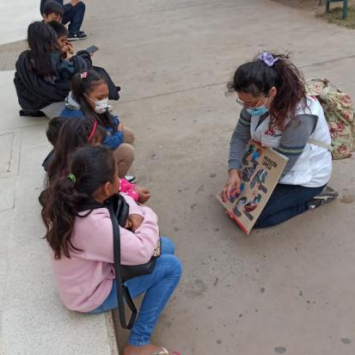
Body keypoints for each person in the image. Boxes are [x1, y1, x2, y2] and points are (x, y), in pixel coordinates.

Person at [40, 145, 181, 355]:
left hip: (91, 276)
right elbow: (142, 251)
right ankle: (138, 344)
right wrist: (145, 214)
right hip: (89, 297)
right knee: (171, 267)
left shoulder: (76, 197)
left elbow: (121, 198)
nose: (120, 179)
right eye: (117, 175)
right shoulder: (93, 225)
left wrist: (134, 211)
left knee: (165, 245)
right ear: (106, 187)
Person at [222, 52, 338, 228]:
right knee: (239, 207)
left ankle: (313, 199)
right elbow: (239, 136)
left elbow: (282, 166)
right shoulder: (254, 100)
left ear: (272, 92)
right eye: (242, 102)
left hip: (306, 177)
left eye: (251, 103)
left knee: (252, 218)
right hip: (270, 163)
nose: (247, 108)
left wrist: (250, 196)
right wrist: (233, 170)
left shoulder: (301, 117)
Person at [43, 117, 150, 203]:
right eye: (97, 144)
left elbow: (114, 184)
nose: (101, 148)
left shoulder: (77, 163)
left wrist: (131, 187)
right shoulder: (85, 176)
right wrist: (134, 196)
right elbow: (107, 199)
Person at [60, 70, 135, 178]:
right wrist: (118, 133)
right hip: (83, 166)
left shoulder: (87, 104)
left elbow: (111, 121)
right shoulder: (80, 121)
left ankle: (116, 176)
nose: (105, 101)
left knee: (127, 134)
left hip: (92, 149)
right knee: (127, 151)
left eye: (106, 96)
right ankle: (112, 186)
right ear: (84, 95)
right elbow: (107, 144)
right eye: (100, 98)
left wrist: (116, 126)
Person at [13, 22, 91, 118]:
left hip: (33, 103)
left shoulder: (25, 58)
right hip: (49, 103)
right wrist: (75, 58)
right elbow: (65, 81)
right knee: (86, 118)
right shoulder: (48, 60)